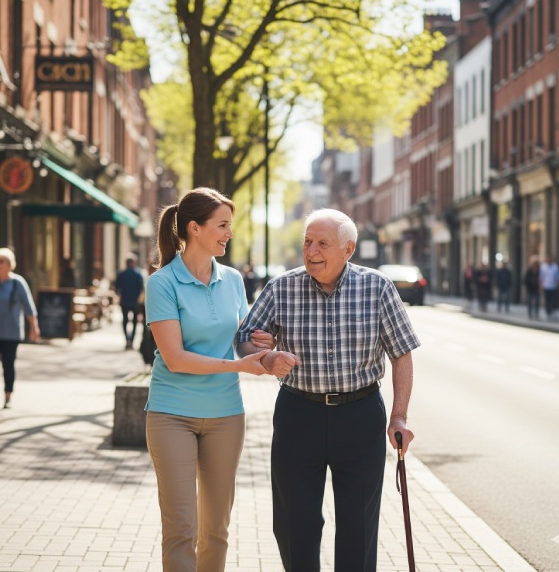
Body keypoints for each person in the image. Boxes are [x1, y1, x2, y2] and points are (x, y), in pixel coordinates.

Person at [236, 208, 420, 572]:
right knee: (294, 522)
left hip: (360, 413)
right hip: (297, 413)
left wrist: (398, 416)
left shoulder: (377, 287)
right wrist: (266, 356)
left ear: (348, 249)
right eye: (307, 242)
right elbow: (244, 339)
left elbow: (402, 354)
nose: (311, 250)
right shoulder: (281, 287)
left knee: (358, 524)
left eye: (322, 243)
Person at [144, 188, 277, 572]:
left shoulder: (233, 280)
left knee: (216, 528)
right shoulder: (162, 283)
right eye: (221, 225)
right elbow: (176, 358)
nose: (228, 234)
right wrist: (241, 367)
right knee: (181, 528)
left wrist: (264, 349)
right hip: (172, 413)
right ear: (194, 228)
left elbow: (239, 341)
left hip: (225, 415)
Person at [0, 248, 40, 408]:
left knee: (8, 365)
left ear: (9, 264)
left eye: (1, 261)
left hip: (11, 333)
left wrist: (34, 327)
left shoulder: (18, 283)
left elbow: (28, 306)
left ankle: (8, 396)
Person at [114, 253, 144, 349]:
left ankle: (127, 340)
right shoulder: (138, 274)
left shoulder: (121, 274)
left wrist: (119, 296)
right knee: (134, 322)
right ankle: (132, 341)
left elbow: (116, 287)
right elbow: (141, 288)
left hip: (124, 301)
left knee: (125, 321)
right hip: (134, 301)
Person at [539, 254, 559, 319]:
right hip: (546, 286)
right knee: (547, 300)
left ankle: (553, 311)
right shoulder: (543, 267)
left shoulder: (555, 267)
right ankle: (547, 312)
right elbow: (541, 277)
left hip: (553, 286)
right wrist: (541, 286)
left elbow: (558, 277)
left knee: (553, 300)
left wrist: (558, 285)